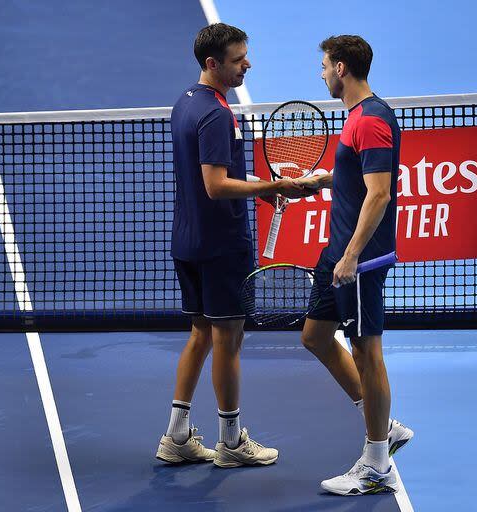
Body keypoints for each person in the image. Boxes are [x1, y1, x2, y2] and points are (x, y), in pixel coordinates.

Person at [155, 23, 304, 468]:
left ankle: (176, 436)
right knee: (228, 341)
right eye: (239, 59)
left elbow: (210, 183)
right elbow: (216, 185)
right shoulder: (218, 115)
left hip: (188, 241)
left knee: (201, 334)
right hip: (221, 246)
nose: (248, 64)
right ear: (212, 63)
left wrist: (260, 187)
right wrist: (270, 185)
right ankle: (231, 441)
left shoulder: (186, 103)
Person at [293, 35, 414, 495]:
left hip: (357, 260)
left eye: (324, 65)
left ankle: (376, 464)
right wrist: (323, 179)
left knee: (367, 352)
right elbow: (359, 180)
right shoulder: (356, 118)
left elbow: (380, 193)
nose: (321, 73)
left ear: (341, 68)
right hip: (338, 251)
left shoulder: (372, 120)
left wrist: (351, 256)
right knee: (316, 336)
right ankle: (385, 425)